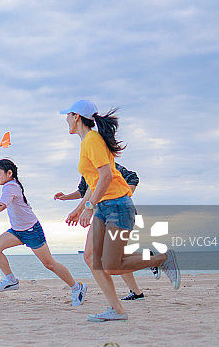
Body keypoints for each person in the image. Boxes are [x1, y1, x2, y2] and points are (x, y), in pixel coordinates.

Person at [60, 99, 180, 322]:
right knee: (90, 257)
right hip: (104, 207)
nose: (65, 119)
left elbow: (106, 176)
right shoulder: (87, 142)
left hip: (117, 206)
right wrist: (79, 208)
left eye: (68, 115)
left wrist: (89, 207)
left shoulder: (92, 140)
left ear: (76, 117)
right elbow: (94, 182)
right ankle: (116, 310)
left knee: (112, 266)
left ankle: (161, 259)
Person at [0, 149, 87, 306]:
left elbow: (1, 205)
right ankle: (11, 280)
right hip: (17, 230)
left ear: (9, 173)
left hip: (31, 230)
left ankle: (77, 287)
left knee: (49, 264)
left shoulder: (11, 186)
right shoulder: (9, 181)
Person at [55, 163, 160, 301]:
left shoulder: (105, 164)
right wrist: (66, 197)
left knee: (103, 256)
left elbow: (132, 177)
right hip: (104, 214)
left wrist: (121, 197)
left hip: (116, 212)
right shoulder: (87, 168)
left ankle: (150, 261)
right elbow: (84, 191)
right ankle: (136, 291)